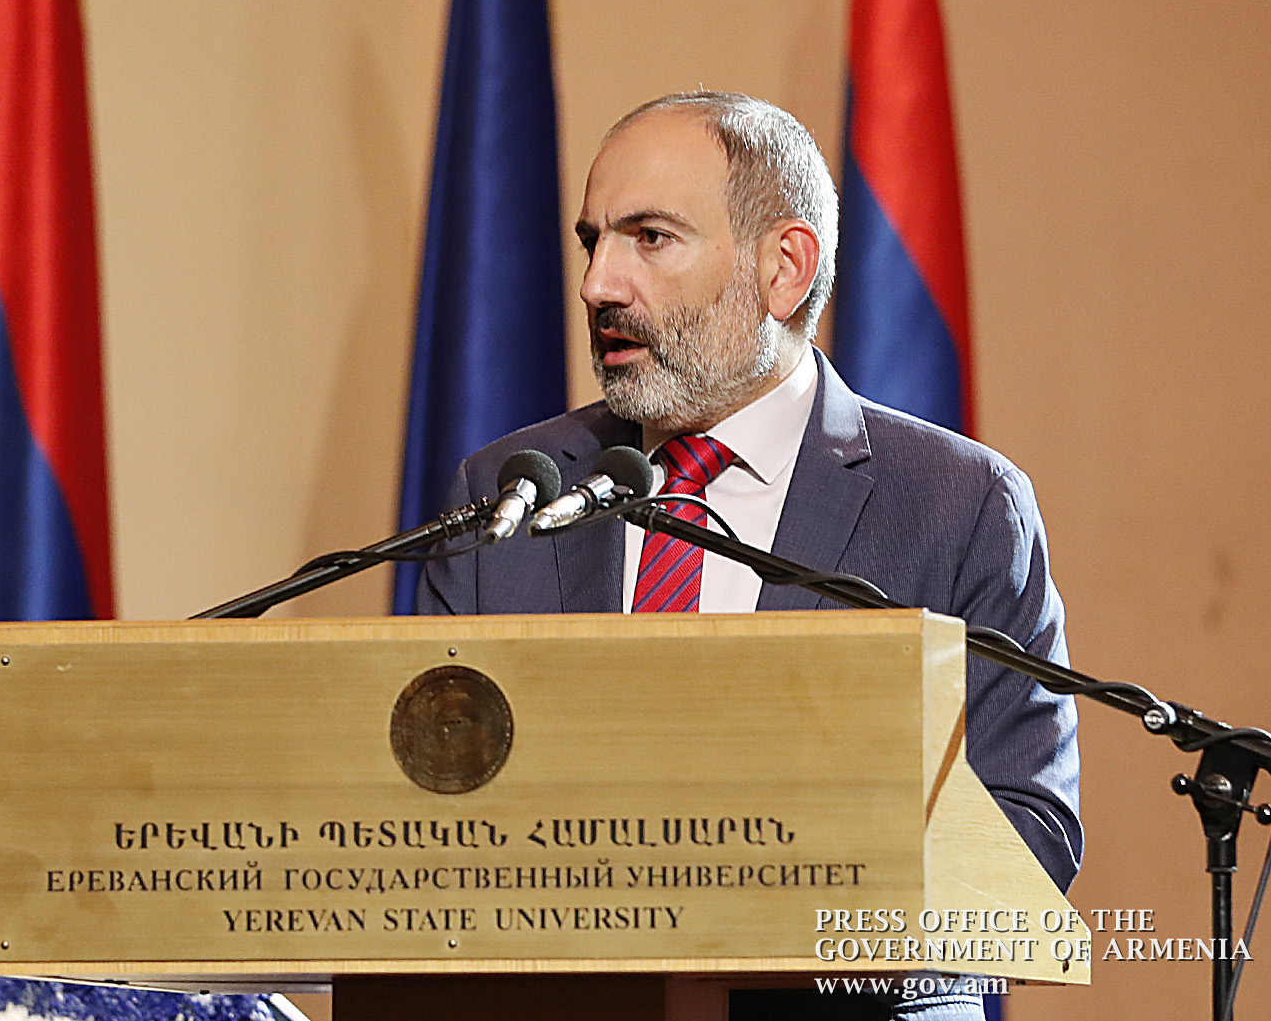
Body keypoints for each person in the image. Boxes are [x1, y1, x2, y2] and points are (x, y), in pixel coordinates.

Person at [418, 92, 1079, 1021]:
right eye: (592, 241)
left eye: (650, 238)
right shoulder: (512, 490)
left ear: (783, 268)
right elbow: (428, 809)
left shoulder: (957, 505)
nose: (598, 284)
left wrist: (747, 894)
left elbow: (1026, 831)